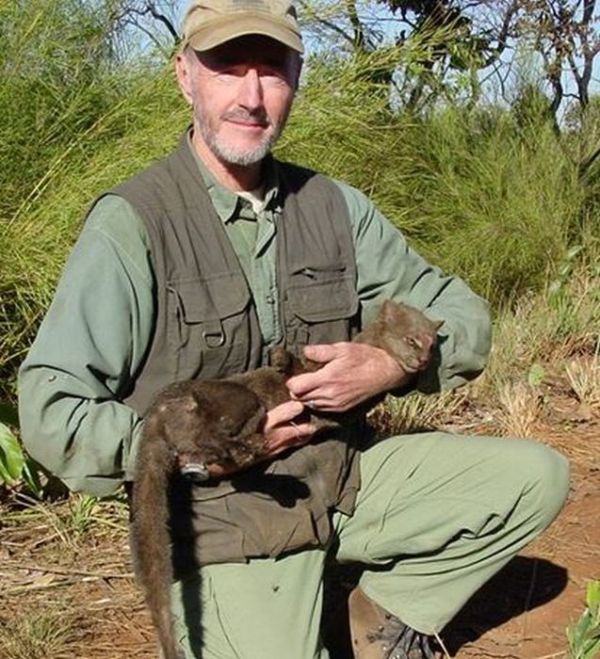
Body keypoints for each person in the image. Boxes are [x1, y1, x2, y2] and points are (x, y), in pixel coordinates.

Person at [18, 1, 570, 657]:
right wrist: (198, 448)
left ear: (297, 78)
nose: (251, 95)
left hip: (342, 477)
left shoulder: (334, 207)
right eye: (226, 65)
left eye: (272, 68)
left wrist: (392, 364)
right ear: (184, 76)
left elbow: (465, 314)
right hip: (221, 515)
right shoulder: (134, 222)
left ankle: (375, 617)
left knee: (535, 478)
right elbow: (50, 409)